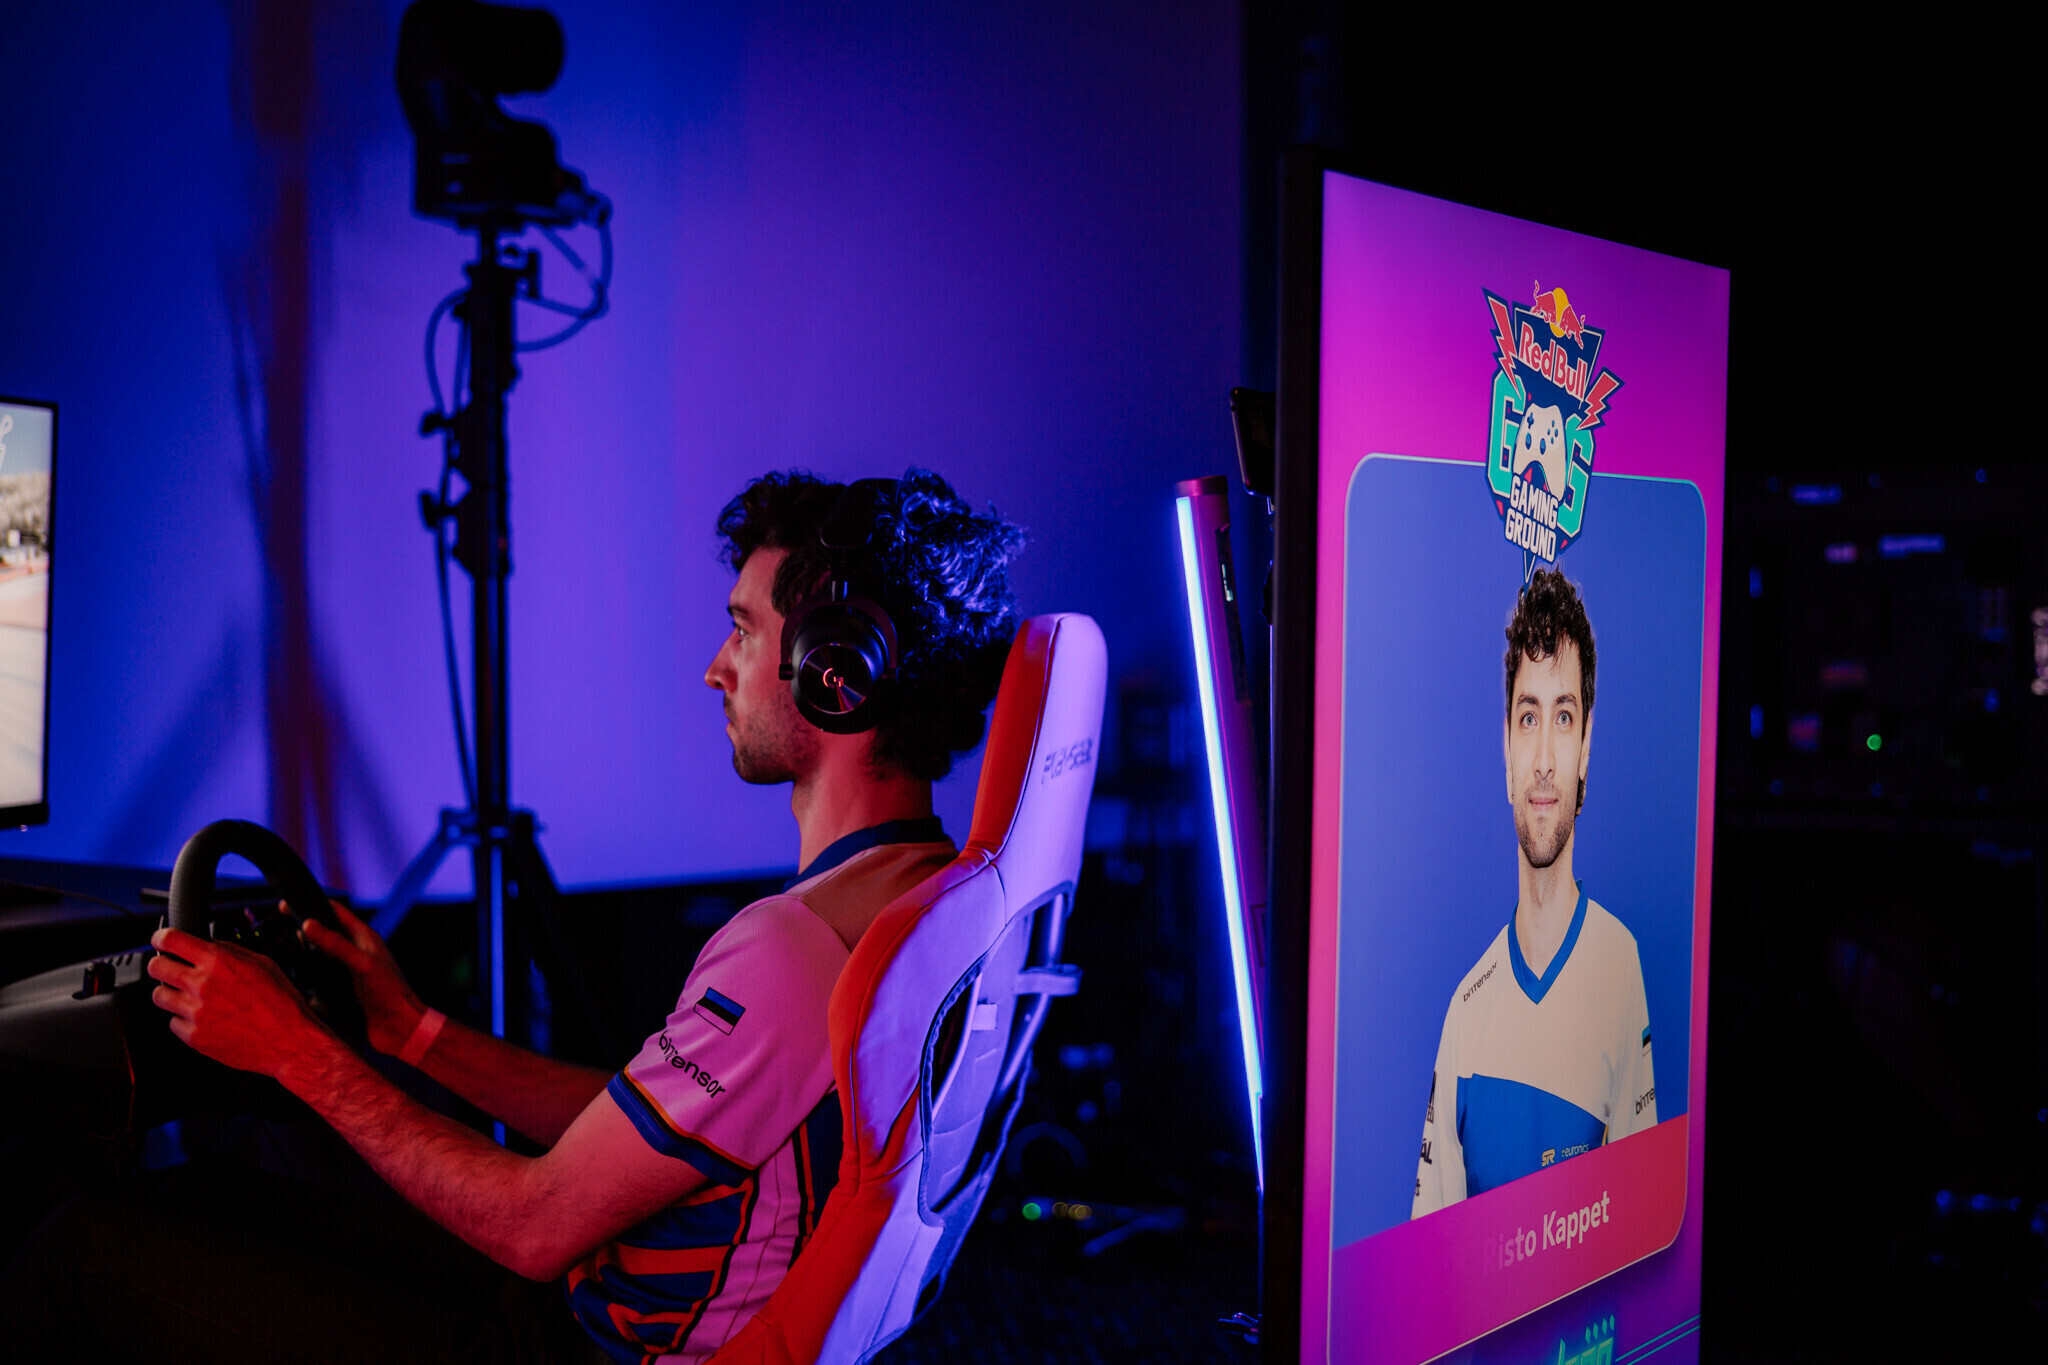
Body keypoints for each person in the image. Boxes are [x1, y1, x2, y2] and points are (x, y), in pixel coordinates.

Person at [1, 468, 1023, 1364]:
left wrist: (293, 1052)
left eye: (744, 631)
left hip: (575, 1344)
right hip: (584, 1303)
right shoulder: (925, 898)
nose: (717, 666)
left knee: (82, 1253)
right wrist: (414, 1033)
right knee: (202, 1200)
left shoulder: (790, 956)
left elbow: (535, 1226)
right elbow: (635, 1131)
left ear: (837, 675)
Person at [1411, 568, 1655, 1218]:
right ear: (1506, 748)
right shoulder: (1465, 1014)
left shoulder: (1619, 966)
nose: (1544, 758)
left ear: (1586, 747)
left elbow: (1641, 1232)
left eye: (1563, 717)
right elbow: (1431, 1258)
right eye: (1528, 718)